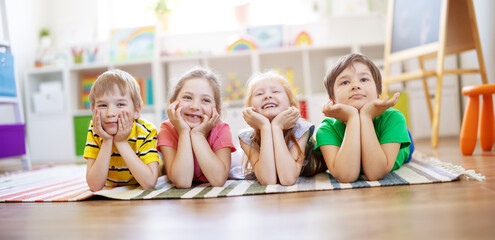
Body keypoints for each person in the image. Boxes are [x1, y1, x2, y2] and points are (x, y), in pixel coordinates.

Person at [315, 53, 414, 183]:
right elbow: (346, 176)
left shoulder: (393, 119)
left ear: (378, 95)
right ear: (332, 101)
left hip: (396, 137)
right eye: (345, 82)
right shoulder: (326, 129)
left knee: (405, 138)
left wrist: (366, 116)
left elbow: (375, 173)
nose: (355, 85)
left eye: (364, 80)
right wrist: (352, 118)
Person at [238, 71, 326, 186]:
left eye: (275, 91)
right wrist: (265, 127)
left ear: (292, 105)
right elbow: (268, 180)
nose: (267, 96)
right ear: (249, 108)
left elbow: (287, 179)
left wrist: (276, 127)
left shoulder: (300, 128)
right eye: (259, 94)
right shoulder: (246, 137)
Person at [84, 69, 162, 192]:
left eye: (120, 104)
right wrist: (107, 140)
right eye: (102, 105)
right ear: (93, 111)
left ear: (136, 110)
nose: (110, 113)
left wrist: (121, 142)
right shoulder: (96, 130)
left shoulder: (146, 131)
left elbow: (149, 183)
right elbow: (94, 186)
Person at [157, 67, 235, 188]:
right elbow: (182, 182)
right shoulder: (167, 129)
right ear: (173, 103)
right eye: (187, 97)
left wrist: (198, 135)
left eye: (205, 100)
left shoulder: (221, 129)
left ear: (217, 111)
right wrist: (183, 132)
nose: (195, 106)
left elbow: (218, 180)